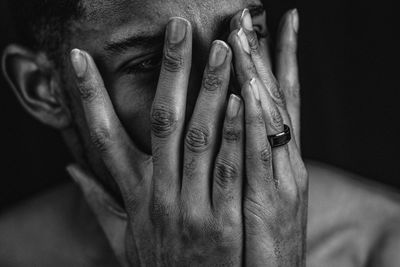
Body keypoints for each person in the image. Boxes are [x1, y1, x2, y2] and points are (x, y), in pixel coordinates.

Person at [0, 0, 399, 266]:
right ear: (44, 88)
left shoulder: (379, 245)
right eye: (154, 62)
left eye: (249, 39)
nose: (228, 98)